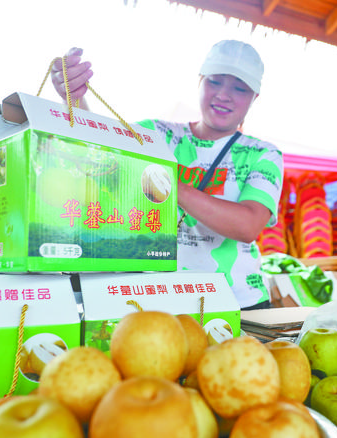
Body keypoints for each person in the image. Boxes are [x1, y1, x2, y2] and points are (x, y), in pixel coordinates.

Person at [50, 41, 284, 310]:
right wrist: (75, 97)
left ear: (254, 97)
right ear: (199, 82)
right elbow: (100, 154)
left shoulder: (263, 154)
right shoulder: (156, 134)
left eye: (240, 88)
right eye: (215, 82)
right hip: (159, 298)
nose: (224, 95)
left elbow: (247, 226)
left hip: (237, 303)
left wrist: (168, 182)